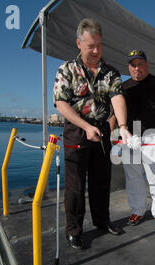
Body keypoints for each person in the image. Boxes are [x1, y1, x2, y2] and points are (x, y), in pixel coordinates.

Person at [53, 18, 132, 250]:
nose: (96, 50)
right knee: (76, 185)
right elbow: (61, 104)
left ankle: (101, 220)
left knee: (101, 180)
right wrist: (86, 127)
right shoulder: (66, 70)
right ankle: (74, 230)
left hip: (103, 130)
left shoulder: (110, 72)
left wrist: (124, 126)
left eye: (99, 45)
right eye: (90, 46)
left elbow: (117, 97)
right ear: (79, 43)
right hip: (77, 130)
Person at [111, 49, 155, 233]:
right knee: (133, 178)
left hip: (154, 136)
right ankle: (138, 210)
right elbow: (113, 113)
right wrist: (112, 135)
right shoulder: (123, 88)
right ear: (129, 67)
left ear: (147, 64)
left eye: (140, 64)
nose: (137, 68)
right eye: (133, 65)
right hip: (129, 138)